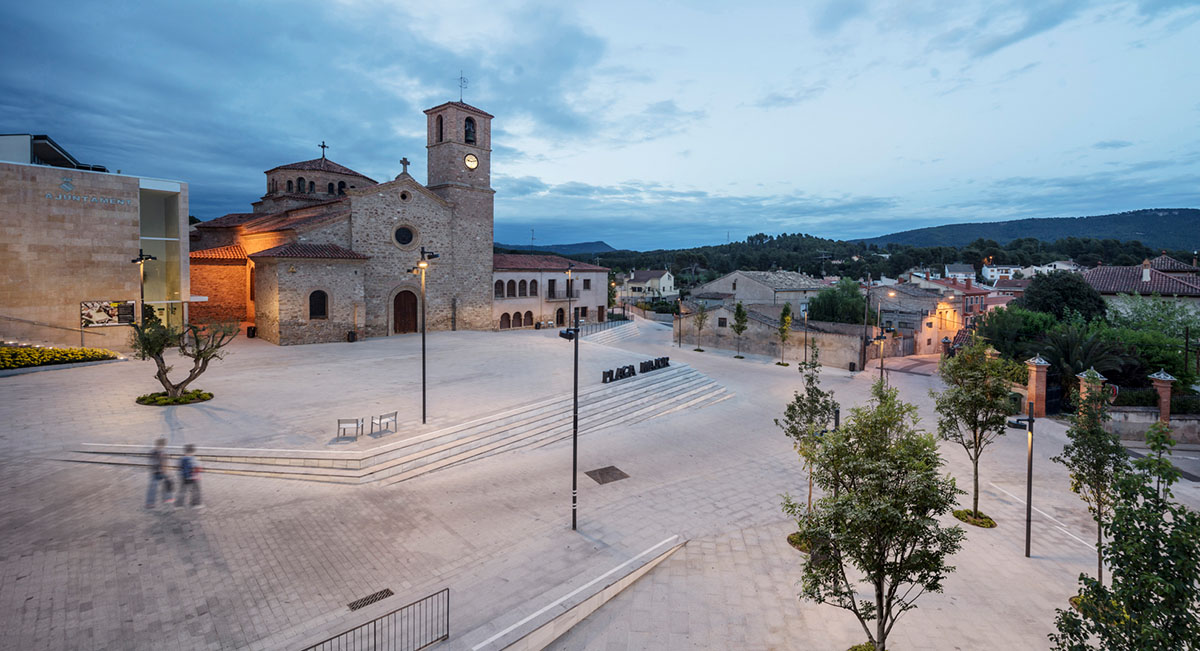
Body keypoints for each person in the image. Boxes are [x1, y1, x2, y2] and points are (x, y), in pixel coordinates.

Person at [145, 438, 173, 508]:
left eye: (162, 446)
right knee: (153, 487)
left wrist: (167, 470)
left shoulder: (162, 452)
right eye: (161, 446)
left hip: (162, 472)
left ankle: (167, 499)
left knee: (166, 484)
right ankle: (150, 503)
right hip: (156, 472)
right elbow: (153, 462)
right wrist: (158, 469)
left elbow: (165, 462)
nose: (162, 447)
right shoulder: (154, 452)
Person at [176, 444, 202, 509]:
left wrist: (180, 476)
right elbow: (196, 468)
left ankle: (179, 504)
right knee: (196, 490)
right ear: (193, 451)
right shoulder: (193, 459)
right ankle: (195, 504)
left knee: (182, 491)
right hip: (192, 478)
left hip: (183, 477)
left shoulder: (181, 459)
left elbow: (179, 468)